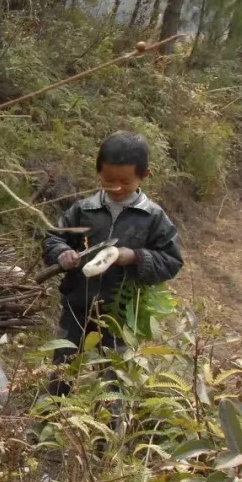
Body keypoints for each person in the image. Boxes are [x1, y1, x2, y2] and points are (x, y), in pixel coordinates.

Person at [42, 131, 184, 394]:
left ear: (144, 176)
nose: (116, 188)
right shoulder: (83, 209)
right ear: (98, 174)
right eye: (109, 181)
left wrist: (134, 256)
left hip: (121, 313)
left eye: (125, 182)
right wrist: (62, 252)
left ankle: (108, 431)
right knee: (62, 368)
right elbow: (54, 238)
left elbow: (172, 260)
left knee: (114, 378)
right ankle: (50, 419)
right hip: (77, 305)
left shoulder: (153, 217)